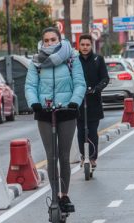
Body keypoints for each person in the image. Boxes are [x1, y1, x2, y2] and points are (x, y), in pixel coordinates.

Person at [25, 27, 86, 212]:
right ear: (42, 42)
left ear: (60, 40)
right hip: (44, 112)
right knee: (51, 157)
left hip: (67, 111)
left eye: (53, 39)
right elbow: (30, 85)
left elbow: (80, 83)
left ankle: (64, 195)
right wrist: (34, 103)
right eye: (46, 40)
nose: (50, 43)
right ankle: (54, 196)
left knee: (63, 156)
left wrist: (75, 102)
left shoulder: (71, 58)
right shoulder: (36, 62)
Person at [77, 34, 109, 169]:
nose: (85, 47)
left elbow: (105, 78)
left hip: (94, 102)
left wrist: (96, 89)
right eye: (82, 45)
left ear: (91, 45)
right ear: (79, 45)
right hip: (78, 102)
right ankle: (83, 156)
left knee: (92, 131)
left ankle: (93, 157)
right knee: (80, 132)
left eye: (87, 45)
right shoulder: (74, 61)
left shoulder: (98, 59)